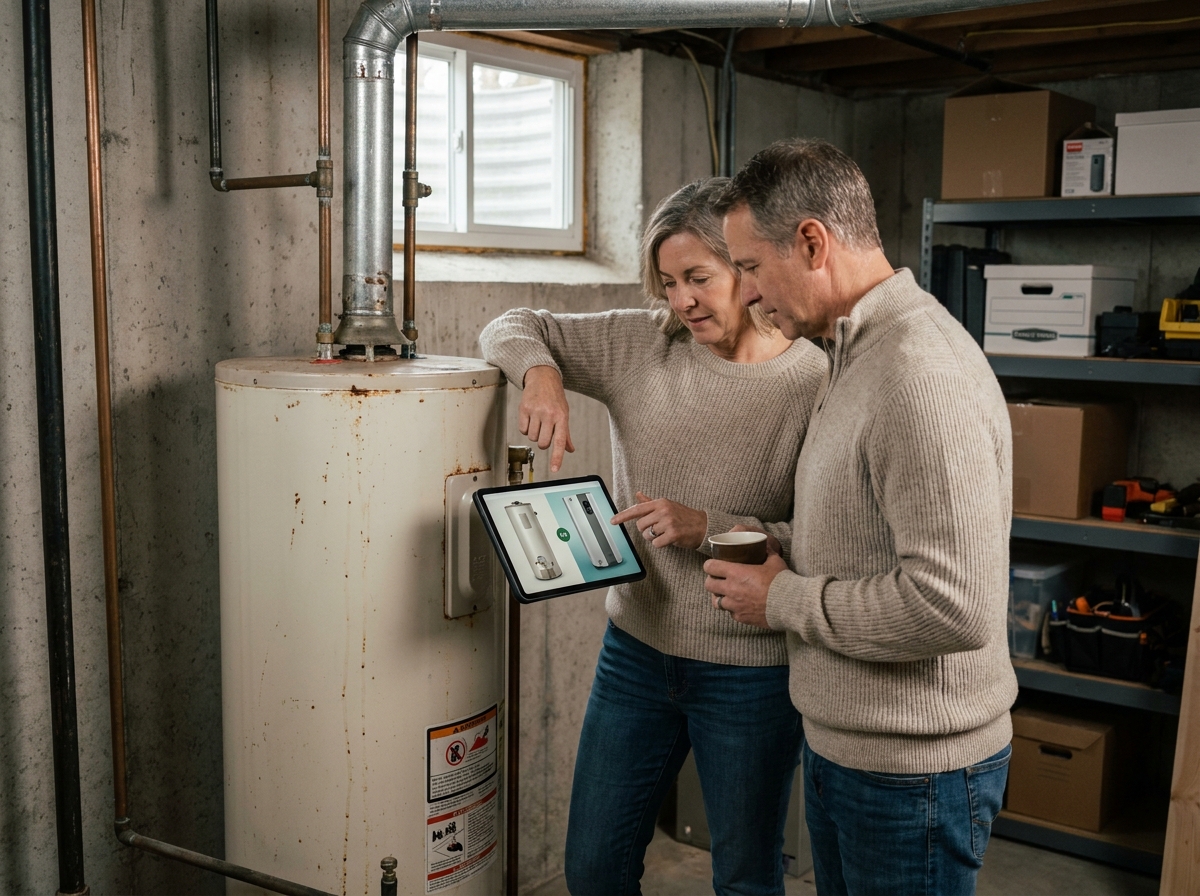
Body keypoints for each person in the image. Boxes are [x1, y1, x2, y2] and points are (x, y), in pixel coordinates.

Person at [479, 178, 826, 896]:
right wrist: (540, 375)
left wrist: (711, 528)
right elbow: (510, 324)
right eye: (667, 282)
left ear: (745, 266)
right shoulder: (642, 343)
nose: (680, 301)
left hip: (752, 671)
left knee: (746, 877)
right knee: (595, 868)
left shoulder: (814, 378)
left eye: (698, 278)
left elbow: (827, 538)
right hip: (636, 654)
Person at [703, 139, 1018, 896]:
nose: (741, 293)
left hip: (913, 776)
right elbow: (861, 535)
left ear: (812, 241)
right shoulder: (851, 352)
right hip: (853, 751)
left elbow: (952, 605)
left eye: (747, 265)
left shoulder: (917, 372)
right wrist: (747, 538)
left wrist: (780, 599)